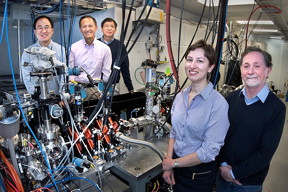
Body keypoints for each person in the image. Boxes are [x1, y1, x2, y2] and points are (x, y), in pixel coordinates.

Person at [162, 40, 230, 192]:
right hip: (176, 168)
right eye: (189, 60)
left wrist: (173, 163)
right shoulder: (180, 97)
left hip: (199, 175)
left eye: (200, 61)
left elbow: (209, 151)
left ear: (211, 67)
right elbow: (174, 132)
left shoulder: (218, 104)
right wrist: (169, 163)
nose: (192, 66)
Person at [216, 47, 286, 192]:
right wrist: (223, 165)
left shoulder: (276, 108)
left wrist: (234, 173)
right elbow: (219, 136)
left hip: (248, 184)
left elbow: (265, 152)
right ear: (241, 70)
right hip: (222, 177)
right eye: (246, 66)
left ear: (268, 70)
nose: (250, 71)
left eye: (257, 66)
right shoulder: (231, 99)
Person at [69, 15, 112, 100]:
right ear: (80, 29)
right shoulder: (73, 47)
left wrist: (103, 92)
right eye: (84, 26)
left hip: (96, 90)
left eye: (90, 26)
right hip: (78, 90)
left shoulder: (105, 49)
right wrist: (72, 93)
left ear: (96, 28)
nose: (87, 29)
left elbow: (107, 73)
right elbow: (71, 73)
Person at [21, 15, 66, 95]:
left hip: (58, 98)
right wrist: (36, 96)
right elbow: (27, 78)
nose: (44, 31)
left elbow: (64, 75)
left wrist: (62, 94)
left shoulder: (61, 50)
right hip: (38, 99)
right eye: (40, 27)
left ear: (52, 30)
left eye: (46, 27)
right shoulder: (28, 53)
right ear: (35, 32)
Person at [99, 17, 134, 94]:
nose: (109, 28)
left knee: (113, 105)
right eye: (106, 26)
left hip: (113, 85)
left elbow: (125, 67)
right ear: (101, 29)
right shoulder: (95, 44)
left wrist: (130, 87)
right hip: (96, 84)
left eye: (112, 26)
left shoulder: (120, 46)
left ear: (115, 30)